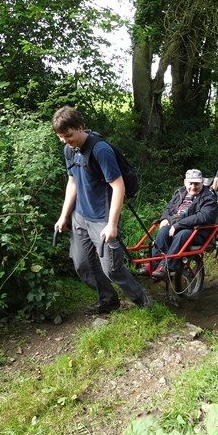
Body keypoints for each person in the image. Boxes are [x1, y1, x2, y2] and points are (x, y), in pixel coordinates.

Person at [52, 106, 151, 315]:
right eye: (61, 137)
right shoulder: (69, 150)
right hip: (80, 216)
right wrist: (64, 216)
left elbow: (118, 187)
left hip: (102, 219)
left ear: (81, 128)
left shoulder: (100, 150)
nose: (64, 140)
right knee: (82, 265)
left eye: (68, 135)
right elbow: (72, 183)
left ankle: (143, 302)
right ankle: (108, 300)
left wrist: (112, 224)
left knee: (112, 268)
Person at [149, 169, 218, 281]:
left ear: (201, 183)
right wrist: (164, 219)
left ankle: (166, 267)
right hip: (175, 224)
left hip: (197, 230)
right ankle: (153, 265)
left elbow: (203, 217)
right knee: (162, 231)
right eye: (190, 183)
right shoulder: (180, 193)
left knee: (182, 234)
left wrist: (178, 225)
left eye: (196, 183)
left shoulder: (208, 197)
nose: (193, 186)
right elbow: (168, 208)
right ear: (185, 182)